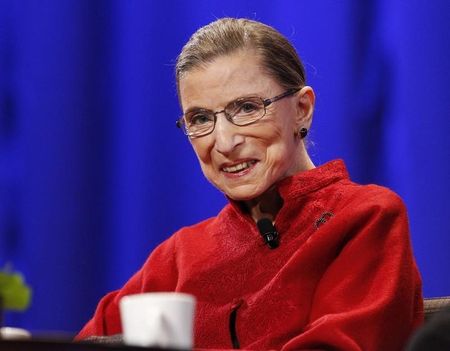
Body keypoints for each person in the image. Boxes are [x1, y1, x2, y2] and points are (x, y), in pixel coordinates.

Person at [76, 18, 423, 350]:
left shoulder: (365, 219)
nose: (224, 142)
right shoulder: (178, 258)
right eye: (200, 118)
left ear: (302, 109)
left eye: (246, 108)